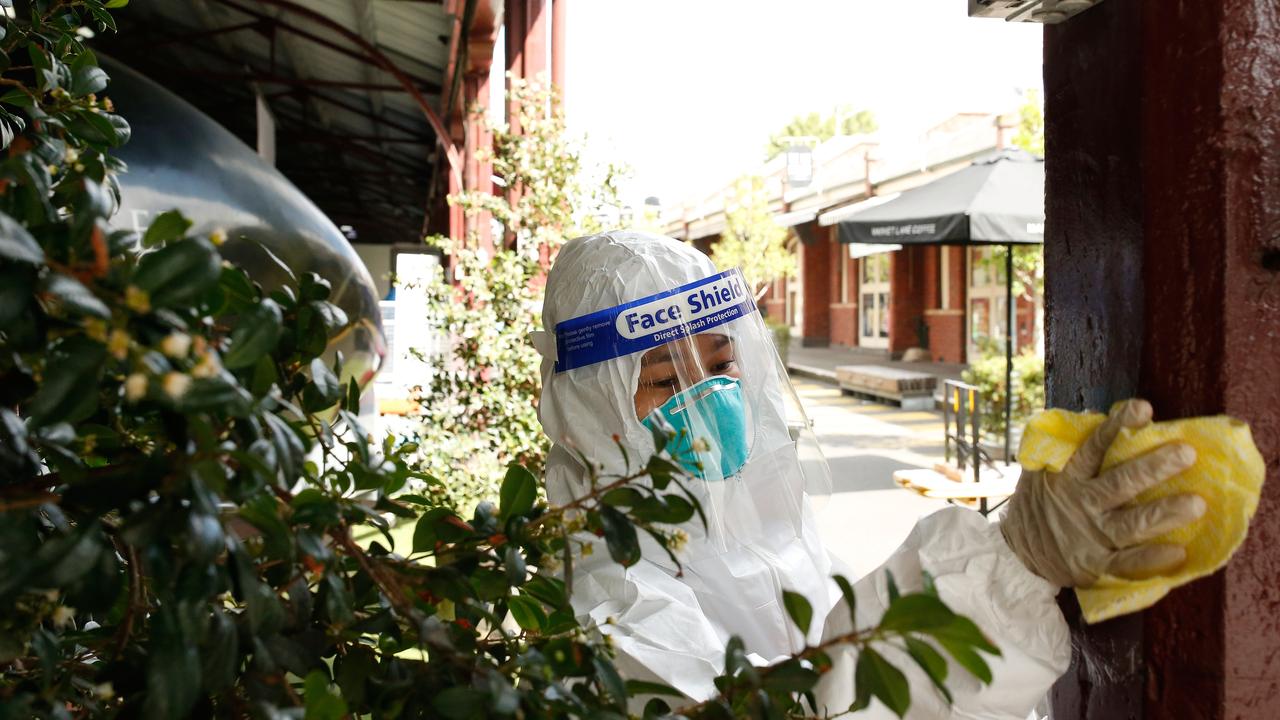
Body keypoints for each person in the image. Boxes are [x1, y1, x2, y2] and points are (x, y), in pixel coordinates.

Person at [531, 231, 1205, 718]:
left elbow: (856, 645)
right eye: (662, 379)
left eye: (720, 364)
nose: (708, 396)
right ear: (591, 413)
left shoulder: (772, 537)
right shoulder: (606, 602)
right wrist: (1011, 569)